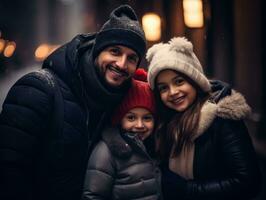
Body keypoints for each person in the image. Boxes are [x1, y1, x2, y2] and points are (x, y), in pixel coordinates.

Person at [0, 4, 146, 200]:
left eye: (131, 58)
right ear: (97, 51)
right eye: (115, 51)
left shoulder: (121, 102)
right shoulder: (38, 90)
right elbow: (8, 173)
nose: (121, 64)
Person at [146, 37, 261, 200]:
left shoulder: (222, 118)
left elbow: (248, 183)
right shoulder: (165, 123)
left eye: (179, 81)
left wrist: (188, 190)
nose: (172, 92)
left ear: (194, 80)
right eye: (163, 88)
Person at [82, 69, 161, 200]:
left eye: (147, 118)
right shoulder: (106, 151)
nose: (140, 125)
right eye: (131, 118)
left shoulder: (154, 146)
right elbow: (93, 196)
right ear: (119, 119)